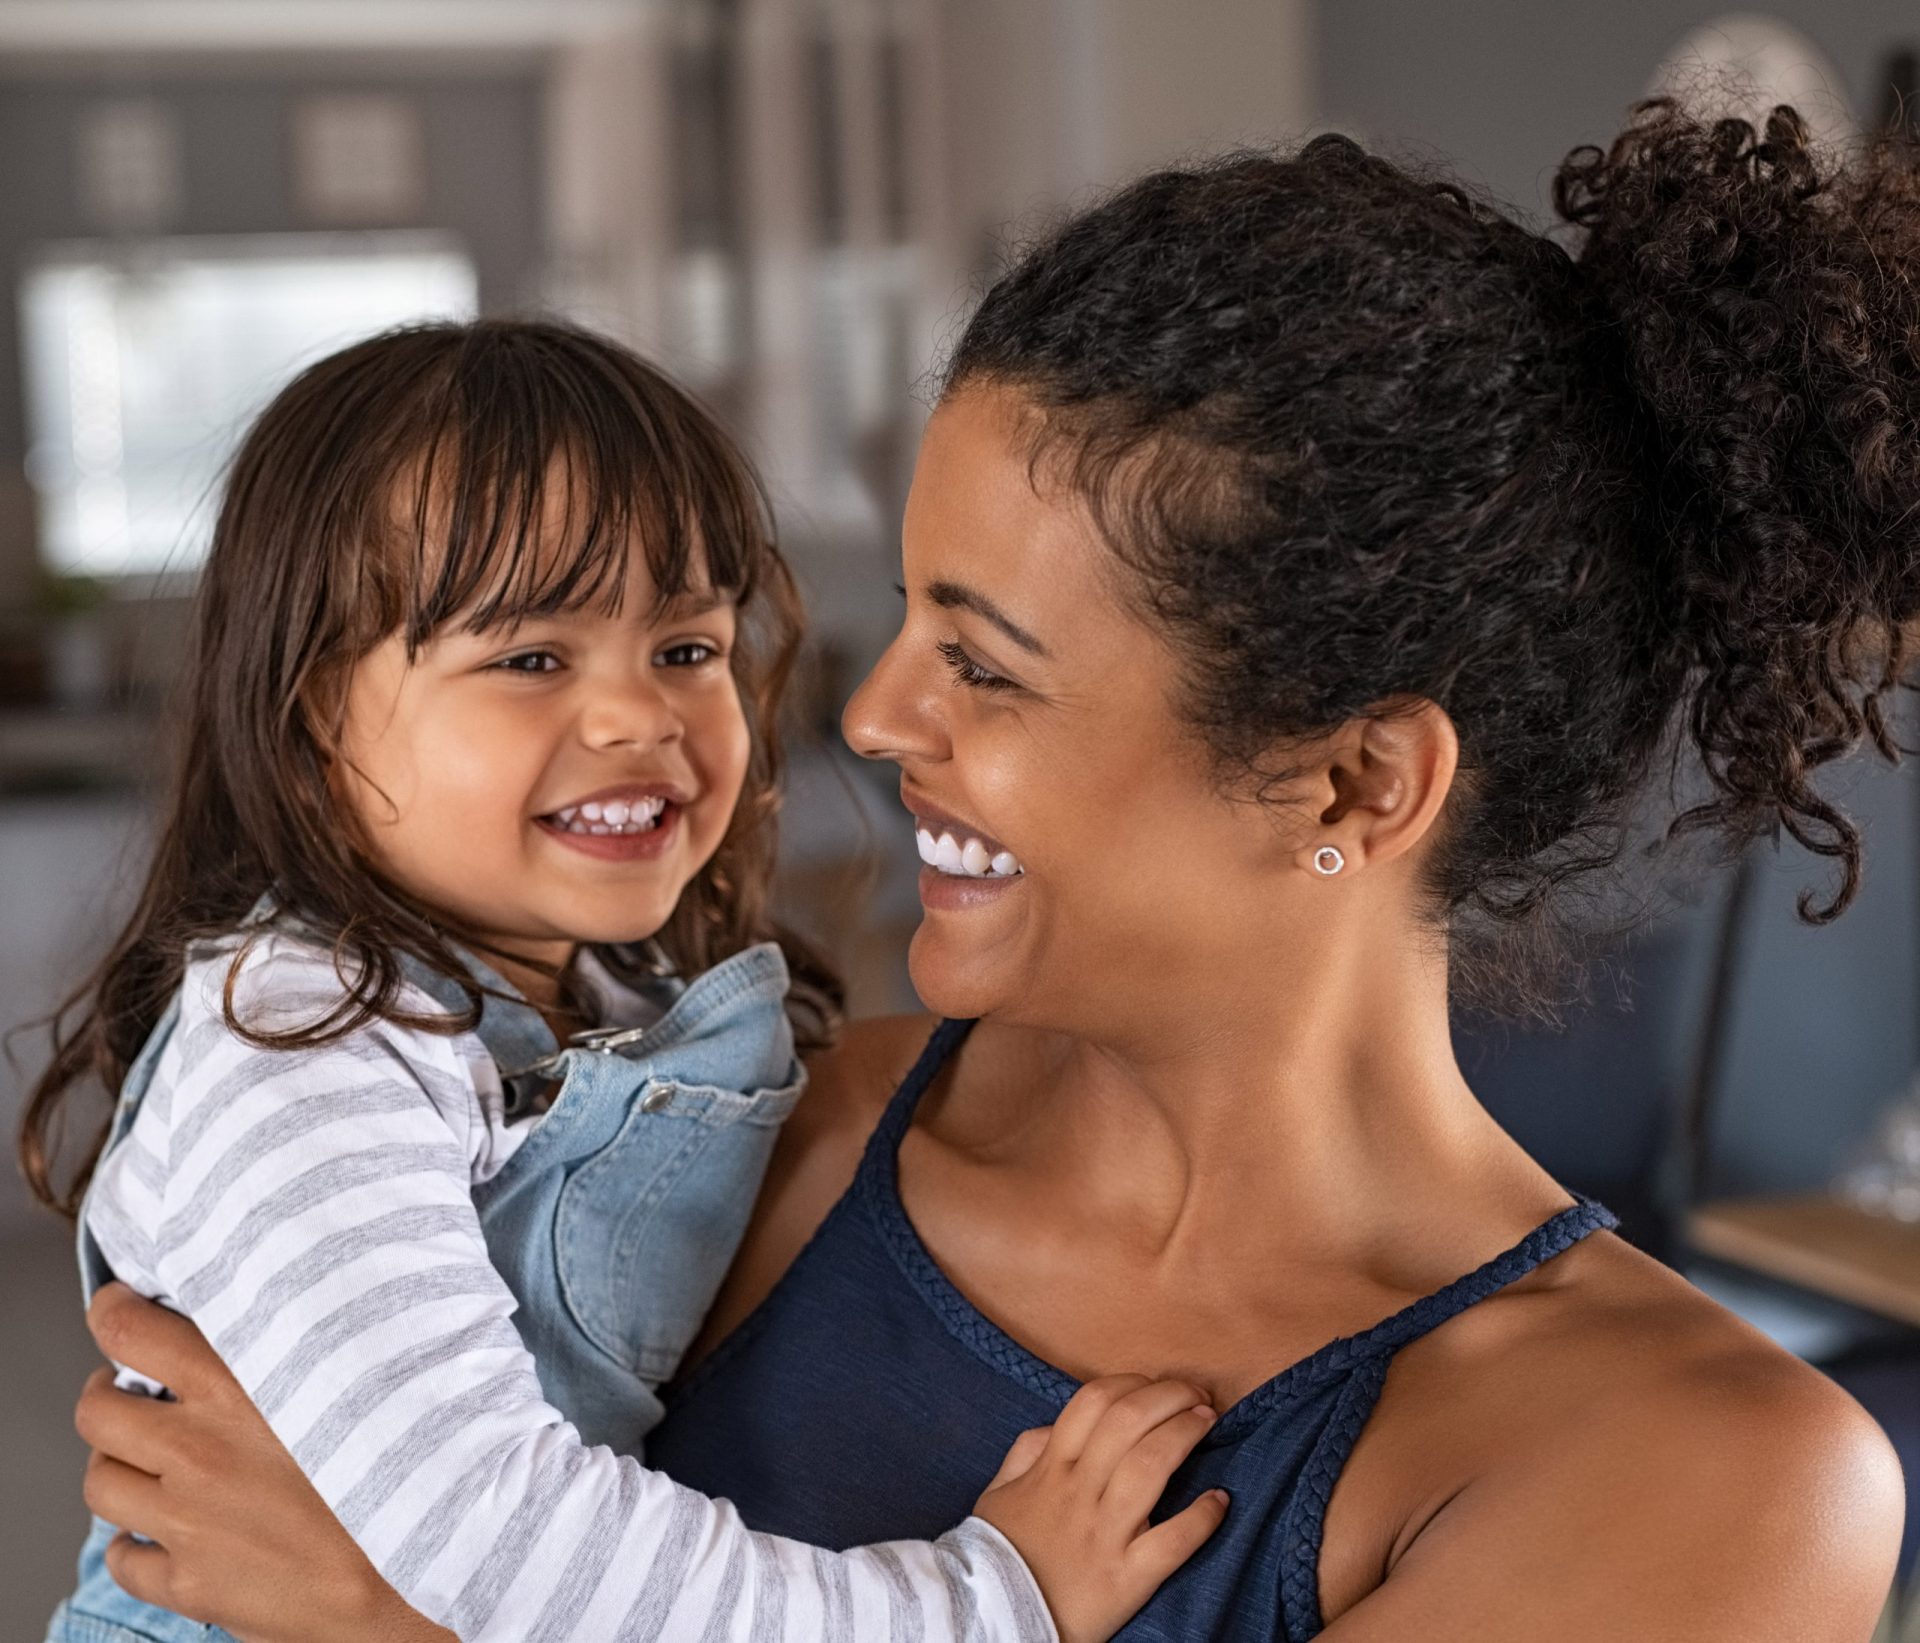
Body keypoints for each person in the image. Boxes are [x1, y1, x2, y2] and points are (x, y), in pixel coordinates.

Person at [69, 102, 1912, 1639]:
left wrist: (400, 1628)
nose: (870, 717)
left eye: (986, 661)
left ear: (1353, 773)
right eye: (901, 624)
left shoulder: (1707, 1476)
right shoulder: (731, 1136)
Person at [22, 319, 1228, 1643]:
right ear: (318, 711)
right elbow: (498, 1532)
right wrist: (981, 1605)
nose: (638, 716)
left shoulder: (618, 1007)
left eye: (687, 648)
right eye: (532, 659)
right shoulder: (308, 1050)